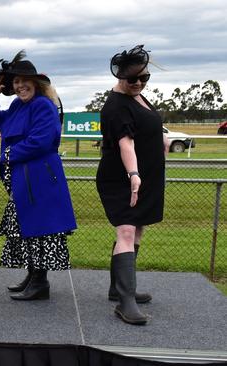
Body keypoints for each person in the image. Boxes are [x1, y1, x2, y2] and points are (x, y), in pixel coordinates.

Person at [0, 50, 76, 301]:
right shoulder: (16, 105)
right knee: (27, 229)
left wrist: (9, 154)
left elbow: (42, 141)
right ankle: (32, 277)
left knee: (41, 229)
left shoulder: (44, 105)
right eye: (16, 82)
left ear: (35, 83)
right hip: (24, 177)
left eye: (24, 81)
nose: (20, 85)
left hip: (40, 178)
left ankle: (40, 282)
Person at [96, 45, 168, 325]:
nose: (138, 83)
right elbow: (126, 143)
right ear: (120, 77)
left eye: (144, 78)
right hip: (122, 179)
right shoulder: (115, 106)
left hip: (147, 177)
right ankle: (125, 303)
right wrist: (134, 175)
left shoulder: (139, 97)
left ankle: (120, 289)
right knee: (125, 229)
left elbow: (147, 127)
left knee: (137, 230)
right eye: (133, 79)